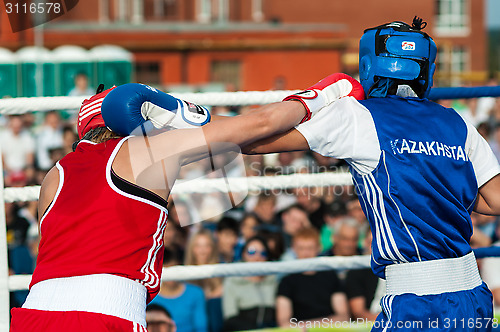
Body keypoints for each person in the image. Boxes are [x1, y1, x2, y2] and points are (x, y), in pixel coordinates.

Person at [10, 72, 362, 330]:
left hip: (33, 312)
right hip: (106, 313)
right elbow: (257, 125)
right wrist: (326, 92)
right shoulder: (145, 150)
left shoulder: (53, 176)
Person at [243, 18, 500, 331]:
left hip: (415, 299)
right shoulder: (456, 122)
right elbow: (496, 200)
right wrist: (438, 187)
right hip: (471, 293)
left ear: (369, 64)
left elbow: (253, 141)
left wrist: (318, 97)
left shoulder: (359, 117)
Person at [276, 227, 348, 328]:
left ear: (319, 248)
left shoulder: (331, 276)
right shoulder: (286, 282)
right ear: (293, 249)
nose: (306, 254)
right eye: (301, 248)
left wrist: (308, 326)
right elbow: (283, 322)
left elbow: (343, 316)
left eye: (310, 248)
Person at [222, 236, 278, 331]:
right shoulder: (232, 281)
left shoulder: (274, 281)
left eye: (262, 253)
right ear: (244, 254)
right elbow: (230, 317)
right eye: (252, 252)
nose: (257, 257)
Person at [150, 248, 208, 332]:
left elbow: (201, 328)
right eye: (166, 267)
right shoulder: (149, 296)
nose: (171, 272)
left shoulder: (196, 293)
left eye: (174, 267)